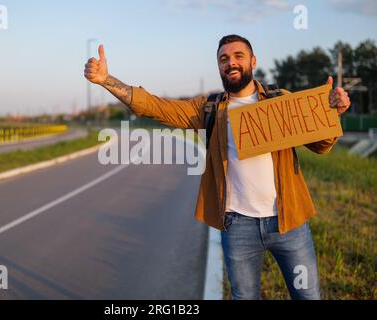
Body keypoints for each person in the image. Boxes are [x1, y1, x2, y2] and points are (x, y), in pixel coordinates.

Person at [83, 34, 351, 300]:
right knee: (244, 297)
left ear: (253, 61)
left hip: (289, 221)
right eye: (223, 59)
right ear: (219, 66)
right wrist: (107, 80)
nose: (230, 63)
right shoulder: (210, 108)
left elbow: (321, 145)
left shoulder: (279, 100)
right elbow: (157, 107)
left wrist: (331, 113)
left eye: (238, 56)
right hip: (238, 226)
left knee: (307, 295)